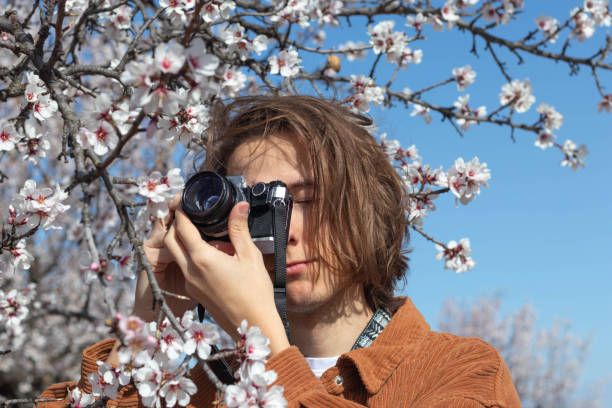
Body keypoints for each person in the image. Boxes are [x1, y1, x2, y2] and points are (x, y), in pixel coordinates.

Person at [41, 95, 521, 407]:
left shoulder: (462, 370)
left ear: (370, 210)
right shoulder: (197, 384)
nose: (285, 231)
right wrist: (145, 332)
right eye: (258, 210)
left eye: (307, 200)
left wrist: (267, 352)